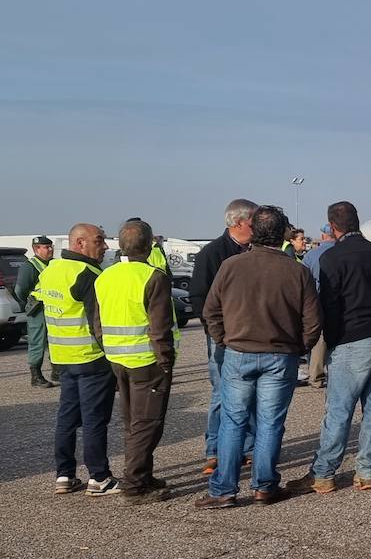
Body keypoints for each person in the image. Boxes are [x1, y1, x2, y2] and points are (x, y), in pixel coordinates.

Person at [197, 206, 321, 509]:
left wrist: (224, 339)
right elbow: (313, 321)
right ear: (283, 234)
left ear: (253, 231)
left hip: (239, 354)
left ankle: (223, 490)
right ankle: (264, 486)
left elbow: (210, 310)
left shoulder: (231, 266)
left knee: (232, 421)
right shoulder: (297, 271)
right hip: (280, 357)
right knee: (270, 422)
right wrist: (300, 347)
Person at [287, 201, 371, 494]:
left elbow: (330, 306)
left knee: (339, 409)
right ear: (356, 222)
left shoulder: (332, 258)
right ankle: (367, 471)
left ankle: (324, 474)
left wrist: (333, 342)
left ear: (333, 226)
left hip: (352, 339)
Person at [93, 220, 177, 503]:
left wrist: (108, 349)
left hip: (117, 359)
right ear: (150, 244)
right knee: (148, 423)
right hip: (147, 362)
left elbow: (97, 323)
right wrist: (165, 361)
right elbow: (160, 326)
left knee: (132, 421)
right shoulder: (154, 276)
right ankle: (134, 485)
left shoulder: (105, 276)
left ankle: (143, 475)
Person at [38, 223, 120, 496]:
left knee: (67, 418)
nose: (105, 246)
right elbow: (98, 322)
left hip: (63, 357)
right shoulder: (88, 274)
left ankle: (64, 475)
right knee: (94, 419)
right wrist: (113, 359)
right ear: (80, 243)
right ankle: (99, 477)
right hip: (91, 359)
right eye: (99, 240)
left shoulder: (51, 270)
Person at [189, 198, 258, 475]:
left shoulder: (258, 251)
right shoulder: (212, 253)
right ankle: (215, 450)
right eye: (254, 220)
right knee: (222, 393)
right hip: (222, 336)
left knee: (251, 392)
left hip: (252, 335)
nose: (258, 225)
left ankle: (249, 448)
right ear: (239, 222)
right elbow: (198, 296)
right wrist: (215, 331)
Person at [15, 235, 57, 388]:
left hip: (53, 307)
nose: (50, 249)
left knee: (54, 340)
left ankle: (56, 371)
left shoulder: (53, 264)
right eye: (46, 247)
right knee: (37, 341)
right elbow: (20, 290)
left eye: (51, 246)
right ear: (36, 249)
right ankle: (36, 375)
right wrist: (27, 303)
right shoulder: (30, 266)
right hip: (37, 308)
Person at [302, 223, 336, 388]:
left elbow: (303, 281)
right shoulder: (342, 252)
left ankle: (316, 376)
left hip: (318, 301)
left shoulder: (311, 255)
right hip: (339, 302)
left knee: (320, 340)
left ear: (323, 235)